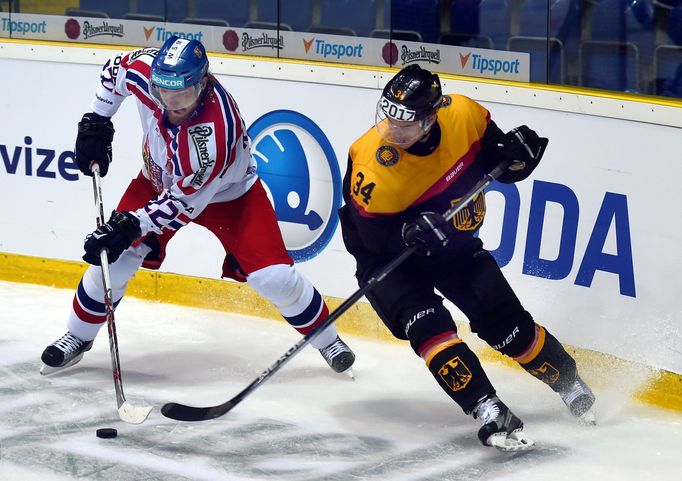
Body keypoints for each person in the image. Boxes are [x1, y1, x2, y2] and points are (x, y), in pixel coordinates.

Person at [40, 36, 355, 378]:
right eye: (164, 92)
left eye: (183, 95)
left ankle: (328, 340)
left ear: (202, 83)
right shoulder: (150, 74)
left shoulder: (214, 131)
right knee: (112, 261)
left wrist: (130, 225)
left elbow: (182, 202)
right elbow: (116, 70)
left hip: (230, 197)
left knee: (274, 278)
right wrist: (97, 121)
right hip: (157, 182)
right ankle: (78, 335)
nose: (172, 103)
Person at [338, 64, 595, 451]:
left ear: (432, 117)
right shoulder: (371, 164)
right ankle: (487, 408)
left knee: (509, 328)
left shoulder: (464, 115)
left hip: (453, 246)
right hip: (389, 261)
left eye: (405, 122)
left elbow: (499, 165)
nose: (391, 130)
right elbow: (372, 239)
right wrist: (406, 231)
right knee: (430, 329)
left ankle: (570, 383)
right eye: (388, 117)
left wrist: (520, 158)